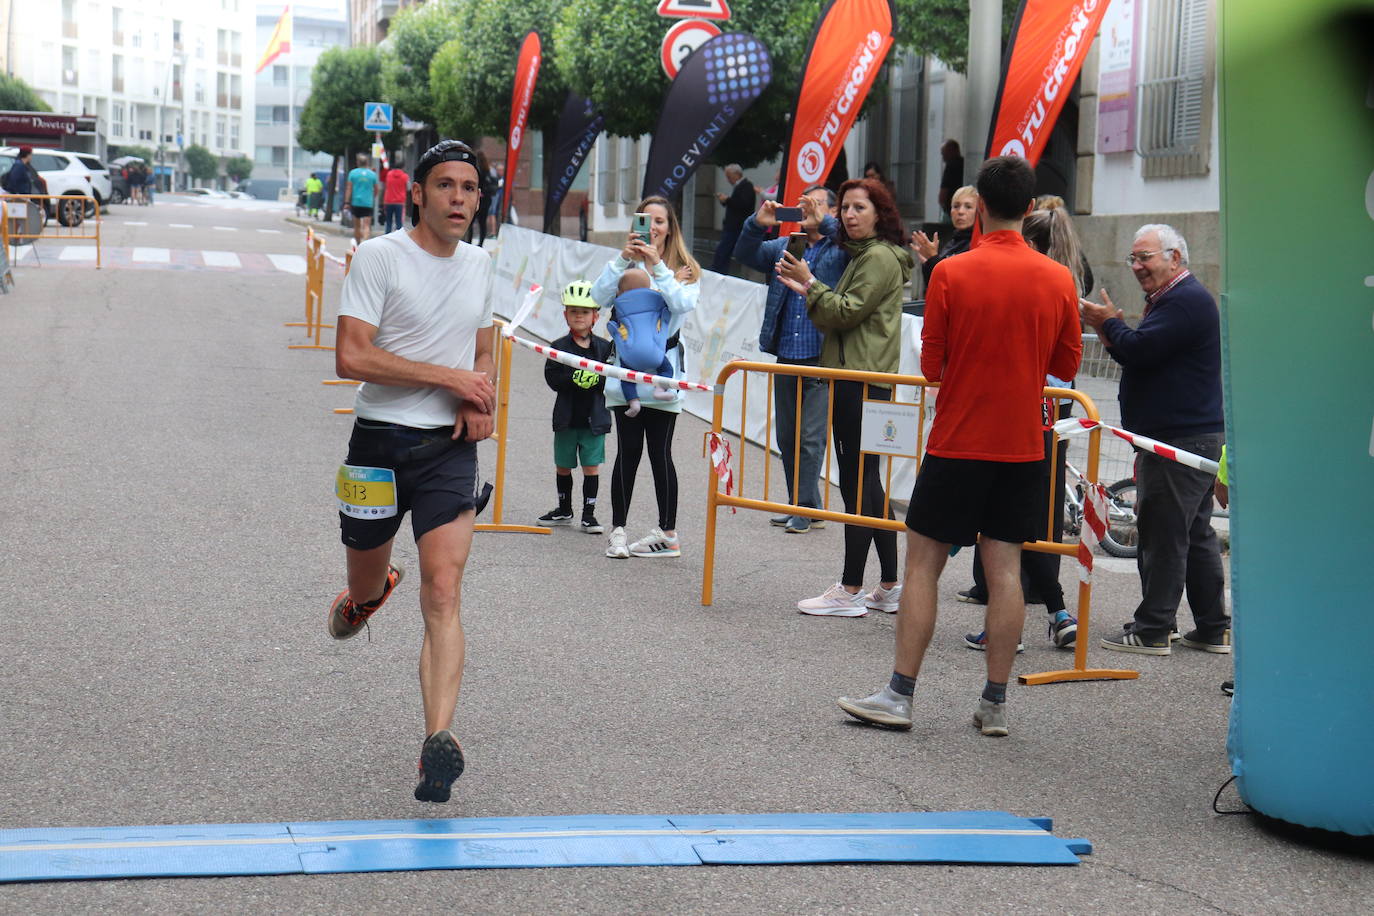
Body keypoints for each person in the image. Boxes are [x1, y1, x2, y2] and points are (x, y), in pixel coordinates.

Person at [833, 156, 1081, 737]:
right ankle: (993, 704)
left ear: (982, 209)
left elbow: (935, 364)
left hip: (958, 439)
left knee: (923, 566)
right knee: (1006, 572)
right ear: (1028, 207)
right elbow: (1066, 364)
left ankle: (900, 695)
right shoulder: (1057, 278)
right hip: (1024, 444)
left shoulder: (951, 272)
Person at [329, 139, 497, 803]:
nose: (459, 198)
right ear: (418, 194)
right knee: (365, 591)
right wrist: (448, 375)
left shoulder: (481, 265)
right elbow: (351, 355)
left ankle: (437, 744)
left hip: (447, 450)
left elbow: (484, 347)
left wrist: (480, 398)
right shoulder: (379, 257)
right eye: (446, 186)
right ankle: (367, 596)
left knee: (444, 590)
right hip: (377, 446)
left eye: (470, 188)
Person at [1081, 224, 1229, 656]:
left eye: (1145, 257)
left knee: (1164, 534)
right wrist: (1114, 328)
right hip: (1188, 436)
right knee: (1195, 533)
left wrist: (1108, 324)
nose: (1138, 266)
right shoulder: (1176, 299)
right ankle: (1212, 626)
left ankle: (1153, 629)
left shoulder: (1183, 301)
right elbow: (1142, 351)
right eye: (1133, 258)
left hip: (1176, 438)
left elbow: (1139, 352)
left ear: (1176, 258)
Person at [959, 205, 1094, 650]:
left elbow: (1049, 365)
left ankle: (1018, 624)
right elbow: (1065, 365)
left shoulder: (1036, 283)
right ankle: (1055, 612)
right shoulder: (1061, 280)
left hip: (1015, 420)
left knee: (1002, 528)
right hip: (1047, 421)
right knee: (1026, 523)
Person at [776, 177, 912, 617]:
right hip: (863, 379)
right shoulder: (873, 254)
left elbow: (845, 311)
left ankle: (851, 588)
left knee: (859, 483)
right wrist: (809, 286)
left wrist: (810, 283)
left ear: (880, 215)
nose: (850, 215)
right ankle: (889, 584)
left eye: (860, 208)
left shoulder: (877, 258)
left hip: (861, 382)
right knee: (867, 483)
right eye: (847, 208)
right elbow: (845, 311)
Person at [590, 195, 700, 559]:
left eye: (660, 222)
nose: (652, 228)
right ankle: (618, 530)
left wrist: (659, 269)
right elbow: (597, 296)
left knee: (660, 453)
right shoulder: (625, 268)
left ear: (671, 228)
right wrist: (625, 258)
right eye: (646, 220)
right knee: (628, 452)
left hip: (665, 378)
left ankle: (667, 533)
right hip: (627, 377)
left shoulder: (685, 268)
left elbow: (682, 305)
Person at [734, 185, 848, 534]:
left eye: (817, 205)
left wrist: (825, 221)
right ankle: (803, 504)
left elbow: (851, 244)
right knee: (786, 435)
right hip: (786, 354)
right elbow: (747, 253)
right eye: (804, 206)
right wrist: (757, 222)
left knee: (811, 437)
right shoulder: (787, 246)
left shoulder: (838, 249)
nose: (808, 211)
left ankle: (804, 508)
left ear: (831, 211)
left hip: (820, 355)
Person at [538, 280, 613, 534]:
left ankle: (589, 514)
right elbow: (552, 377)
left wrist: (597, 380)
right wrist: (573, 378)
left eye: (584, 312)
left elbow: (613, 377)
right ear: (565, 315)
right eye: (573, 311)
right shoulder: (559, 347)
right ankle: (564, 508)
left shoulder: (604, 347)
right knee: (563, 465)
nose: (579, 316)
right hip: (567, 418)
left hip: (594, 420)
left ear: (595, 316)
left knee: (591, 466)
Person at [608, 268, 676, 418]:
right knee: (667, 370)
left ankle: (633, 401)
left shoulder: (619, 307)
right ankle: (659, 389)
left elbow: (612, 326)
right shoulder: (656, 300)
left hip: (629, 355)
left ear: (620, 291)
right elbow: (668, 308)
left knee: (626, 377)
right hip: (655, 353)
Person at [911, 185, 977, 289]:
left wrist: (933, 259)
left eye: (968, 207)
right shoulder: (952, 243)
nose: (960, 212)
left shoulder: (977, 243)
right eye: (955, 206)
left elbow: (957, 284)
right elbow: (935, 285)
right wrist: (928, 263)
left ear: (979, 212)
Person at [710, 164, 754, 275]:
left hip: (737, 226)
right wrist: (725, 200)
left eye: (729, 176)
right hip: (733, 226)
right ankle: (720, 273)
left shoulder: (746, 186)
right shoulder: (740, 187)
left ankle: (717, 273)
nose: (728, 179)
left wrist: (728, 200)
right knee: (724, 252)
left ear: (737, 175)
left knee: (723, 252)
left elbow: (743, 204)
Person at [344, 152, 379, 246]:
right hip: (368, 203)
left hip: (356, 202)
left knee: (357, 226)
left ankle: (359, 244)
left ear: (358, 162)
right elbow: (376, 189)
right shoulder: (372, 174)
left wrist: (347, 202)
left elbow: (349, 188)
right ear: (367, 162)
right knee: (367, 225)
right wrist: (372, 197)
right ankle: (365, 244)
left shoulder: (353, 173)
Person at [474, 151, 498, 246]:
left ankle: (468, 240)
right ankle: (481, 242)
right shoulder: (487, 170)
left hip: (478, 197)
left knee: (472, 220)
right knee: (482, 221)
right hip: (487, 199)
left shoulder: (477, 170)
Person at [937, 140, 964, 216]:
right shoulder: (964, 164)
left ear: (952, 151)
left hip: (951, 209)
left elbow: (943, 193)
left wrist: (944, 206)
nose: (943, 158)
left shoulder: (951, 166)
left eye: (945, 154)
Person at [382, 163, 408, 234]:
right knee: (399, 223)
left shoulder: (389, 174)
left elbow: (386, 186)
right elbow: (408, 188)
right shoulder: (405, 176)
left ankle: (387, 240)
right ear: (402, 168)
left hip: (388, 201)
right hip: (400, 202)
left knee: (388, 222)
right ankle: (398, 240)